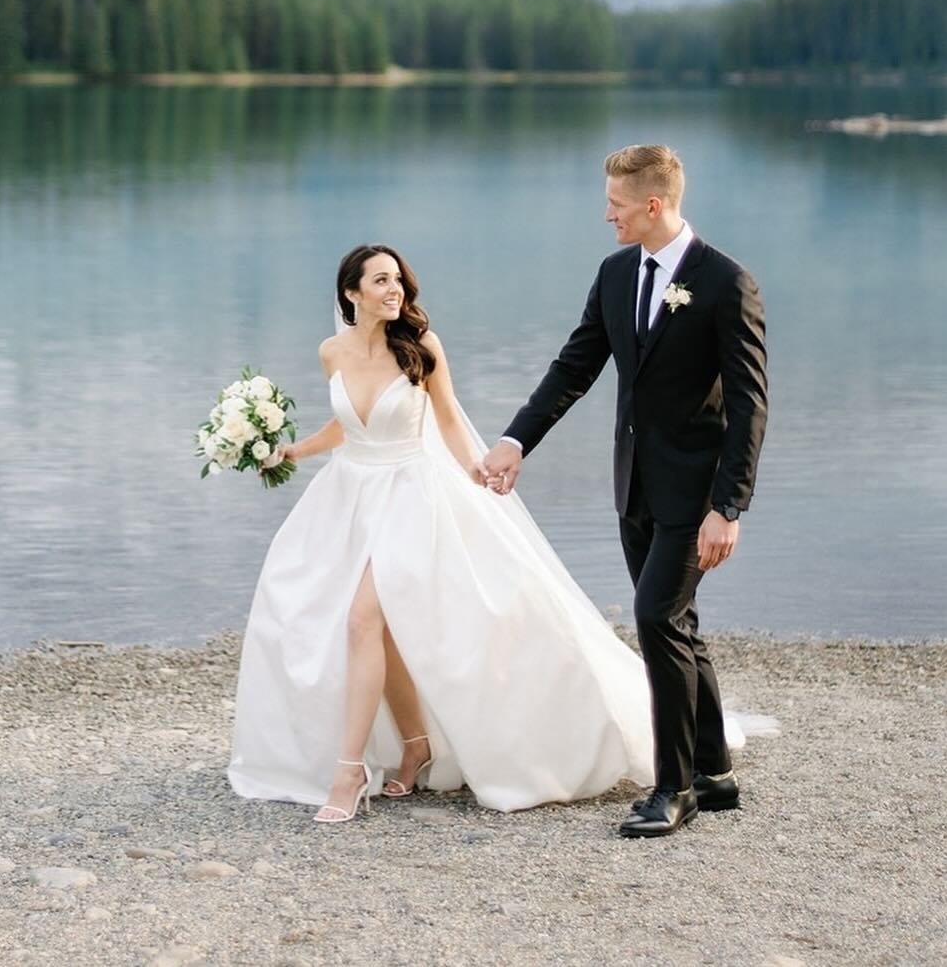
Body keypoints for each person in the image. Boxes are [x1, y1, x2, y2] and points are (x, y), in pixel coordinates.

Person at [227, 242, 655, 823]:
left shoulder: (421, 347)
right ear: (351, 293)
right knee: (374, 630)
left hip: (409, 496)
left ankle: (348, 770)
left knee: (361, 619)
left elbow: (448, 417)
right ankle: (414, 743)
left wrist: (479, 471)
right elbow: (349, 421)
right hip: (350, 496)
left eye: (397, 279)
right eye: (379, 281)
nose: (394, 289)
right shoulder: (332, 351)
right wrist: (295, 450)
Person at [483, 144, 767, 838]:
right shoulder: (616, 273)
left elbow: (752, 405)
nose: (604, 212)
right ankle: (715, 770)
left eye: (614, 202)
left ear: (653, 204)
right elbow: (575, 364)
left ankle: (674, 789)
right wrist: (516, 439)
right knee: (678, 623)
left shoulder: (725, 282)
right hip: (633, 484)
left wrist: (728, 507)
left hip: (695, 496)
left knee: (656, 618)